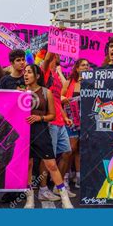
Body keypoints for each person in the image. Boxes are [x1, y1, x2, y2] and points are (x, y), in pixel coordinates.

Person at [23, 64, 73, 208]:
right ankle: (29, 199)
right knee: (28, 165)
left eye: (29, 72)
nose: (25, 75)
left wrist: (40, 118)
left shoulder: (46, 92)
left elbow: (52, 115)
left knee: (51, 164)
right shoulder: (21, 92)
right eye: (25, 72)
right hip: (25, 132)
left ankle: (65, 200)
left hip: (41, 131)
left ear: (37, 76)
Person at [38, 53, 75, 201]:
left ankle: (57, 186)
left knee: (67, 152)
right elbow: (47, 60)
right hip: (50, 122)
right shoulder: (46, 72)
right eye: (57, 52)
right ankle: (43, 189)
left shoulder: (57, 76)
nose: (60, 54)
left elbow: (57, 101)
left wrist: (65, 117)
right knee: (48, 157)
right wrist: (54, 43)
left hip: (60, 122)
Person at [61, 58, 90, 189]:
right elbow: (59, 101)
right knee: (70, 149)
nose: (85, 67)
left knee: (80, 149)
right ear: (77, 68)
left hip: (85, 121)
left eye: (87, 65)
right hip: (71, 121)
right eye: (82, 65)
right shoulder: (68, 83)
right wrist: (65, 113)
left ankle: (78, 177)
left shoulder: (91, 83)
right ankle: (65, 177)